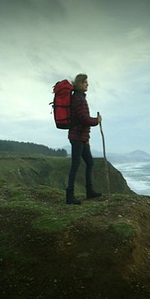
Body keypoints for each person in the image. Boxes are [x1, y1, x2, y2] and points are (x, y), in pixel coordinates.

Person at [66, 73, 103, 204]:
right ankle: (69, 195)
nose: (87, 84)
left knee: (90, 162)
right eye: (85, 82)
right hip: (77, 137)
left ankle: (89, 191)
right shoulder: (77, 98)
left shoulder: (81, 97)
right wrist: (96, 121)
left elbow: (82, 120)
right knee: (75, 165)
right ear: (80, 84)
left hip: (81, 137)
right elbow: (84, 119)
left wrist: (86, 137)